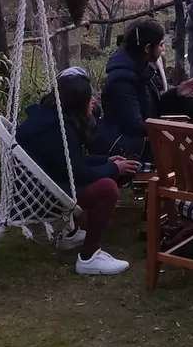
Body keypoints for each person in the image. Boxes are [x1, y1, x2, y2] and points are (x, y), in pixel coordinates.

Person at [16, 68, 139, 275]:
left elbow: (70, 161)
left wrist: (106, 161)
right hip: (41, 196)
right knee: (107, 188)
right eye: (89, 97)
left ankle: (71, 234)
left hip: (39, 184)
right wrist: (112, 169)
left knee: (108, 175)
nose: (93, 101)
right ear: (76, 102)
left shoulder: (49, 118)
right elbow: (78, 174)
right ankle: (89, 257)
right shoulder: (58, 130)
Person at [93, 20, 193, 170]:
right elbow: (135, 126)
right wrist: (174, 129)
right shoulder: (122, 81)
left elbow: (151, 107)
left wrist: (177, 92)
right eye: (161, 45)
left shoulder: (141, 65)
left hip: (147, 130)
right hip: (133, 144)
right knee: (186, 145)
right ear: (147, 48)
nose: (163, 49)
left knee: (189, 104)